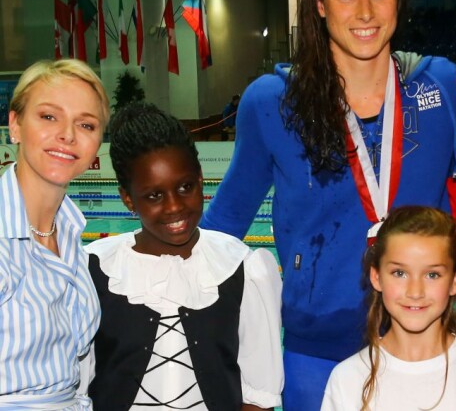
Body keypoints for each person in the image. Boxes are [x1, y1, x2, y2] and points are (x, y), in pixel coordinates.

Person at [202, 0, 456, 409]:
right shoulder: (275, 101)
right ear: (319, 4)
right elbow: (224, 226)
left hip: (428, 346)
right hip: (316, 354)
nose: (365, 13)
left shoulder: (440, 85)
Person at [84, 102, 283, 411]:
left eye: (185, 187)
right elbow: (77, 386)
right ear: (127, 199)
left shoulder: (240, 268)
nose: (175, 206)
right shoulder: (95, 269)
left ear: (201, 179)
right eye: (154, 195)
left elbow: (260, 395)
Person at [321, 206, 456, 411]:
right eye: (399, 273)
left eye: (432, 275)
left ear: (454, 281)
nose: (415, 292)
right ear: (376, 277)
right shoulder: (348, 379)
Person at [0, 59, 109, 409]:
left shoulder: (71, 236)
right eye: (49, 116)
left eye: (86, 124)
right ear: (14, 125)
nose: (67, 134)